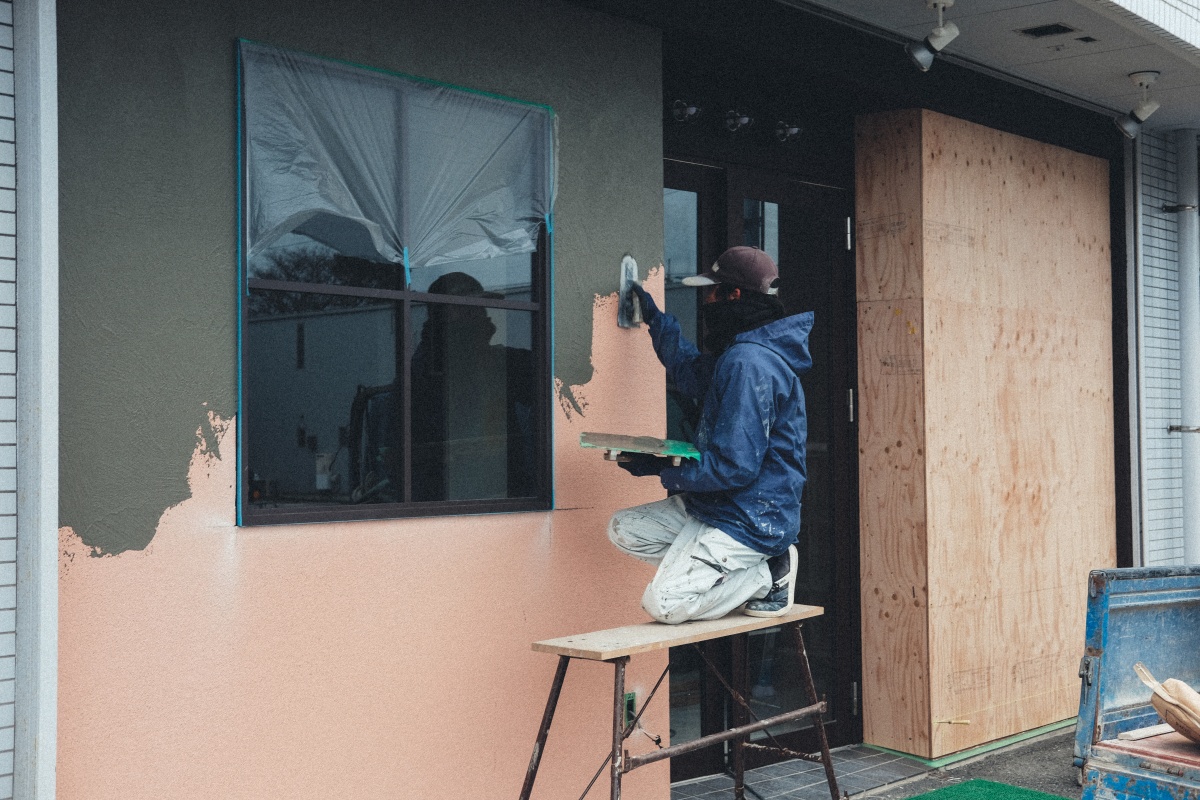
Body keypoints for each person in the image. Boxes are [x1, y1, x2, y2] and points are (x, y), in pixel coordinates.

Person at [607, 246, 812, 625]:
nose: (707, 300)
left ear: (734, 295)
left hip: (750, 514)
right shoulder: (739, 355)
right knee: (625, 530)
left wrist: (662, 471)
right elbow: (690, 372)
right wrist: (655, 319)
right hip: (723, 503)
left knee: (664, 603)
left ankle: (768, 574)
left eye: (713, 291)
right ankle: (724, 567)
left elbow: (734, 467)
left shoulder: (749, 363)